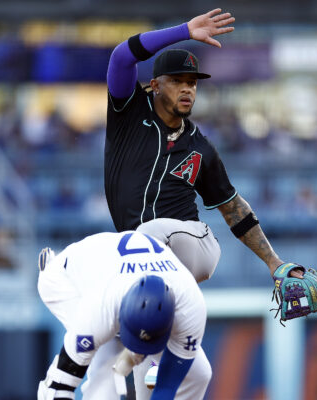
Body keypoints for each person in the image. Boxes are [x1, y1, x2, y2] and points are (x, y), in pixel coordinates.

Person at [105, 7, 303, 398]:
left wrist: (273, 262)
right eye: (177, 80)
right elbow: (120, 57)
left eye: (193, 83)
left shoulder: (201, 148)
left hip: (193, 243)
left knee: (146, 236)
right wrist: (184, 31)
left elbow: (233, 208)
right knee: (184, 377)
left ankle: (153, 350)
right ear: (154, 85)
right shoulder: (128, 111)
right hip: (149, 272)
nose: (187, 89)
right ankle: (158, 358)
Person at [37, 231, 210, 400]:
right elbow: (60, 386)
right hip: (66, 280)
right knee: (106, 371)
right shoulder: (100, 309)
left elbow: (167, 386)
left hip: (116, 270)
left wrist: (131, 358)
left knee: (198, 374)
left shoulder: (190, 305)